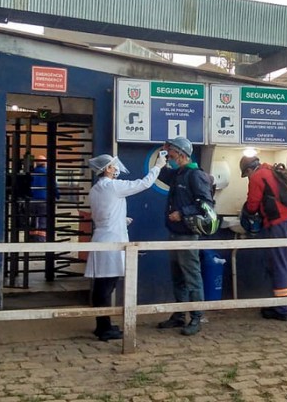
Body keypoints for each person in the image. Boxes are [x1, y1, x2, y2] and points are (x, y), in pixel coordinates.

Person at [85, 152, 166, 341]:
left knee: (102, 285)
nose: (117, 168)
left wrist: (121, 219)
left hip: (102, 237)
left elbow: (103, 213)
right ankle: (104, 329)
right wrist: (158, 166)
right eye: (113, 166)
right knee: (106, 286)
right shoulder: (112, 186)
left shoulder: (96, 189)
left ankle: (102, 324)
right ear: (107, 169)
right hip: (112, 241)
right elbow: (143, 183)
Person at [156, 137, 215, 336]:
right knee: (178, 277)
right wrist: (161, 152)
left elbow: (207, 203)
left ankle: (197, 317)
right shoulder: (178, 173)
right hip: (175, 234)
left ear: (181, 153)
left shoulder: (194, 175)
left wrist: (182, 213)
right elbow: (161, 173)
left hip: (187, 235)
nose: (170, 156)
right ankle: (180, 315)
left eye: (172, 152)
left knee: (191, 276)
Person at [239, 155, 287, 322]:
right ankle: (285, 301)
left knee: (279, 262)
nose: (248, 177)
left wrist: (246, 212)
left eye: (246, 174)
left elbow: (252, 205)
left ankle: (282, 309)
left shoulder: (257, 176)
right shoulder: (276, 171)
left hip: (280, 223)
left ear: (248, 170)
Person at [29, 154, 60, 242]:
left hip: (32, 201)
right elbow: (54, 186)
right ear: (45, 164)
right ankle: (41, 239)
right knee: (43, 220)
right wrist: (57, 196)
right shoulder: (48, 174)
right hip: (44, 201)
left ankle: (31, 238)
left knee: (33, 219)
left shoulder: (32, 173)